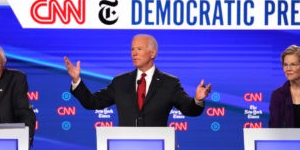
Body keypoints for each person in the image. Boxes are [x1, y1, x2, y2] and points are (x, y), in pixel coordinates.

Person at [64, 33, 212, 127]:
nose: (134, 53)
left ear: (152, 53)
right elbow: (92, 102)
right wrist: (77, 80)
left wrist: (198, 100)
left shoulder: (169, 83)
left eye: (139, 49)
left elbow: (190, 110)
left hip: (157, 148)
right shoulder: (120, 82)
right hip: (125, 148)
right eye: (132, 49)